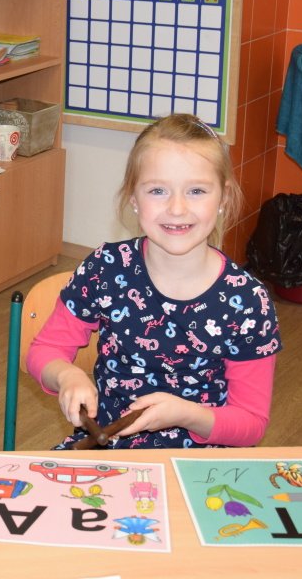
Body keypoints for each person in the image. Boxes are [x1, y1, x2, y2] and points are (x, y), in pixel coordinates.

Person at [27, 114, 280, 449]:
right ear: (134, 198)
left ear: (223, 198)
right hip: (111, 450)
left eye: (196, 191)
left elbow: (250, 424)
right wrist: (66, 375)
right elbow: (45, 350)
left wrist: (186, 414)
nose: (177, 208)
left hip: (201, 463)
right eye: (158, 190)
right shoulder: (106, 268)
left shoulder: (248, 301)